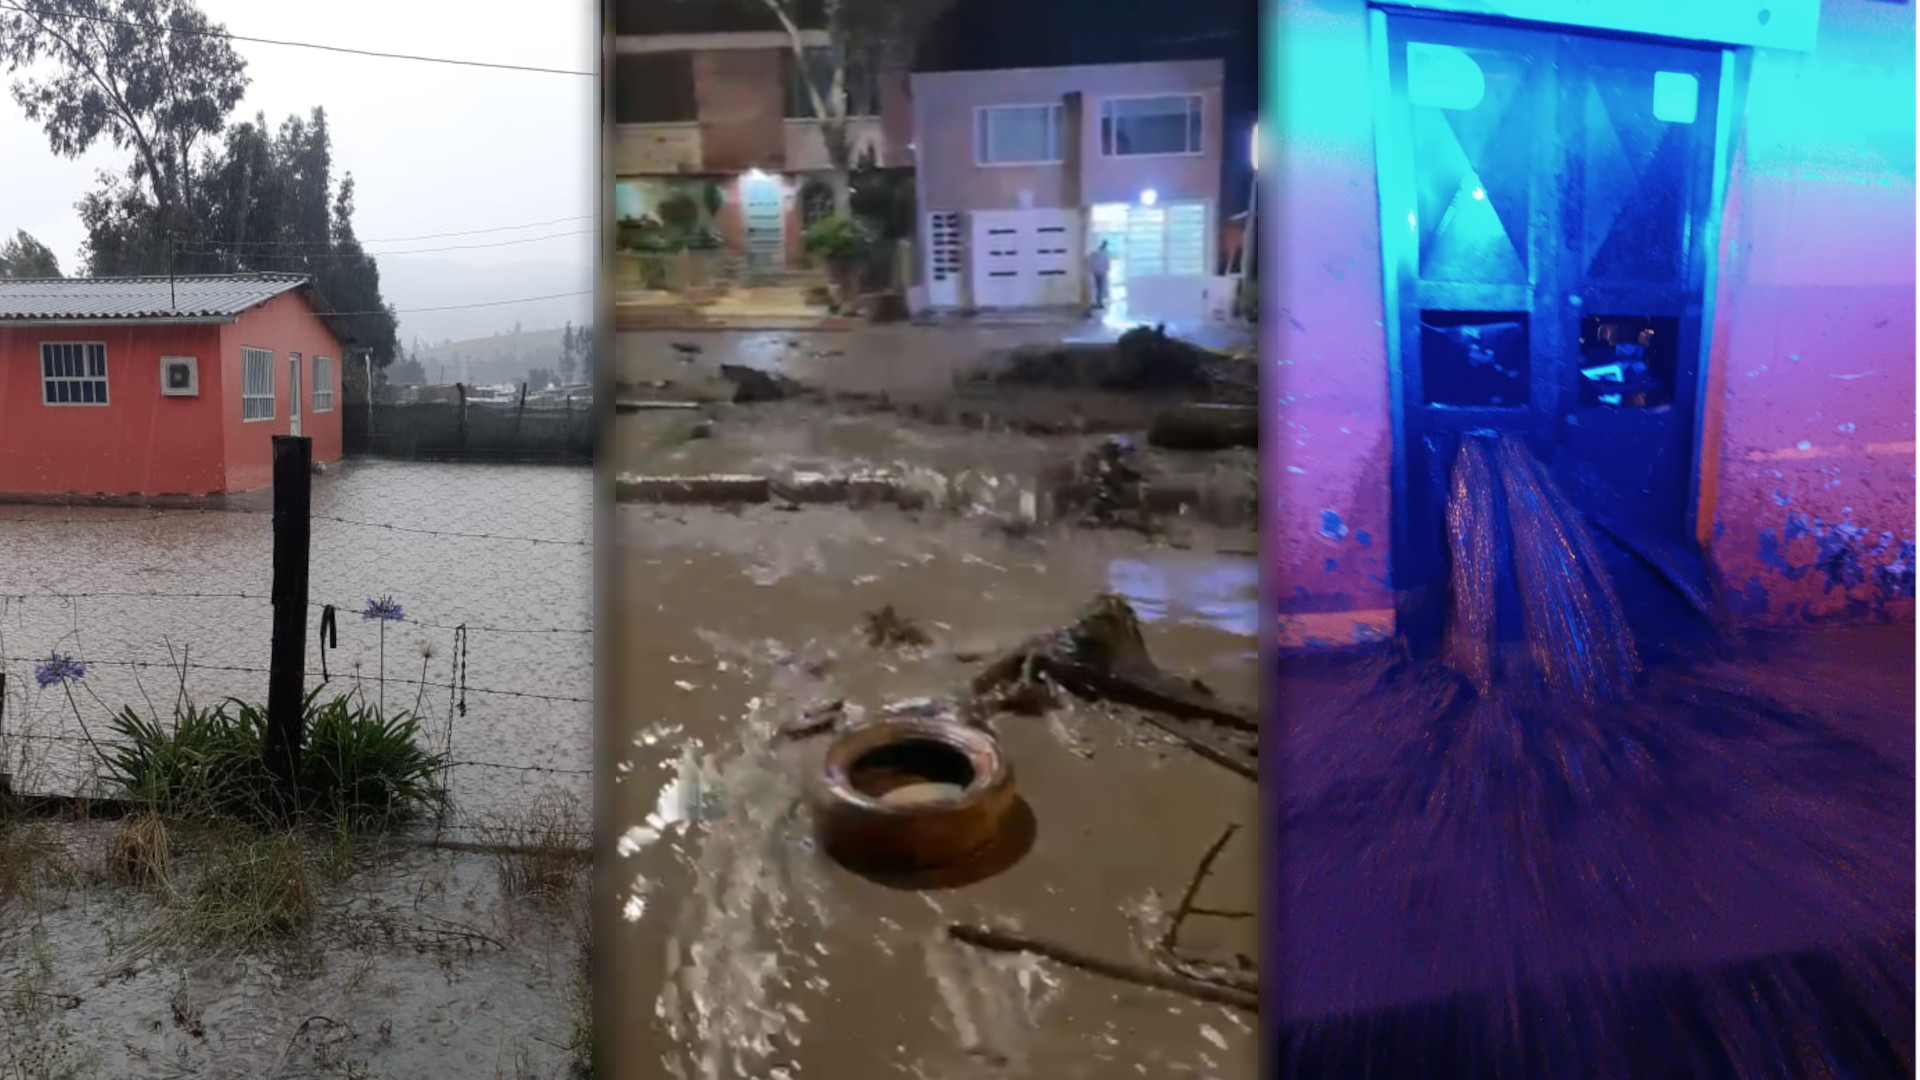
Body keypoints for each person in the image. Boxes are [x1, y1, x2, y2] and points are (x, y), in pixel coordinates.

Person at [1088, 241, 1112, 311]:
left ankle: (1098, 301)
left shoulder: (1095, 254)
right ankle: (1099, 302)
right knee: (1100, 288)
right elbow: (1107, 265)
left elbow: (1091, 262)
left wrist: (1092, 270)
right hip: (1101, 273)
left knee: (1097, 288)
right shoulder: (1105, 254)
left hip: (1096, 272)